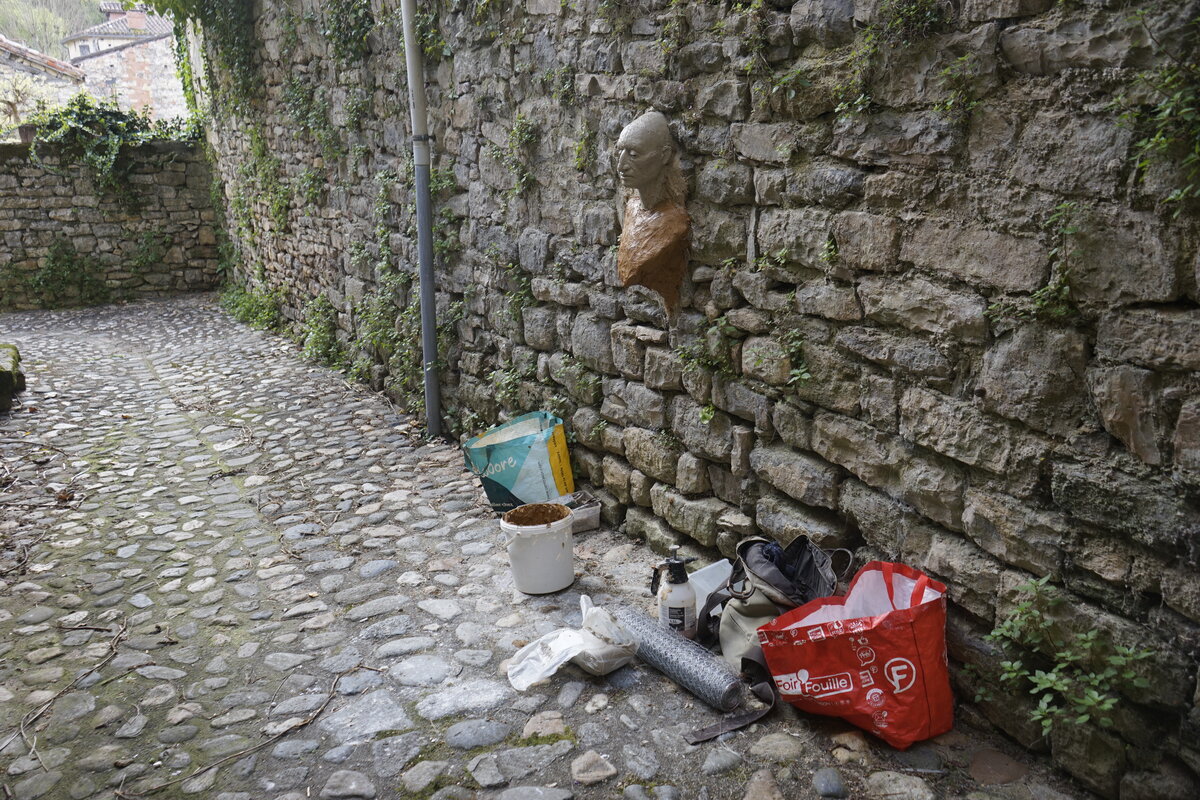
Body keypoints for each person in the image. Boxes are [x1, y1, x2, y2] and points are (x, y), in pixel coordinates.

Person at [615, 111, 690, 310]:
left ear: (664, 156)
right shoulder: (632, 207)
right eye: (620, 152)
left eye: (634, 155)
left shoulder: (674, 222)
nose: (621, 165)